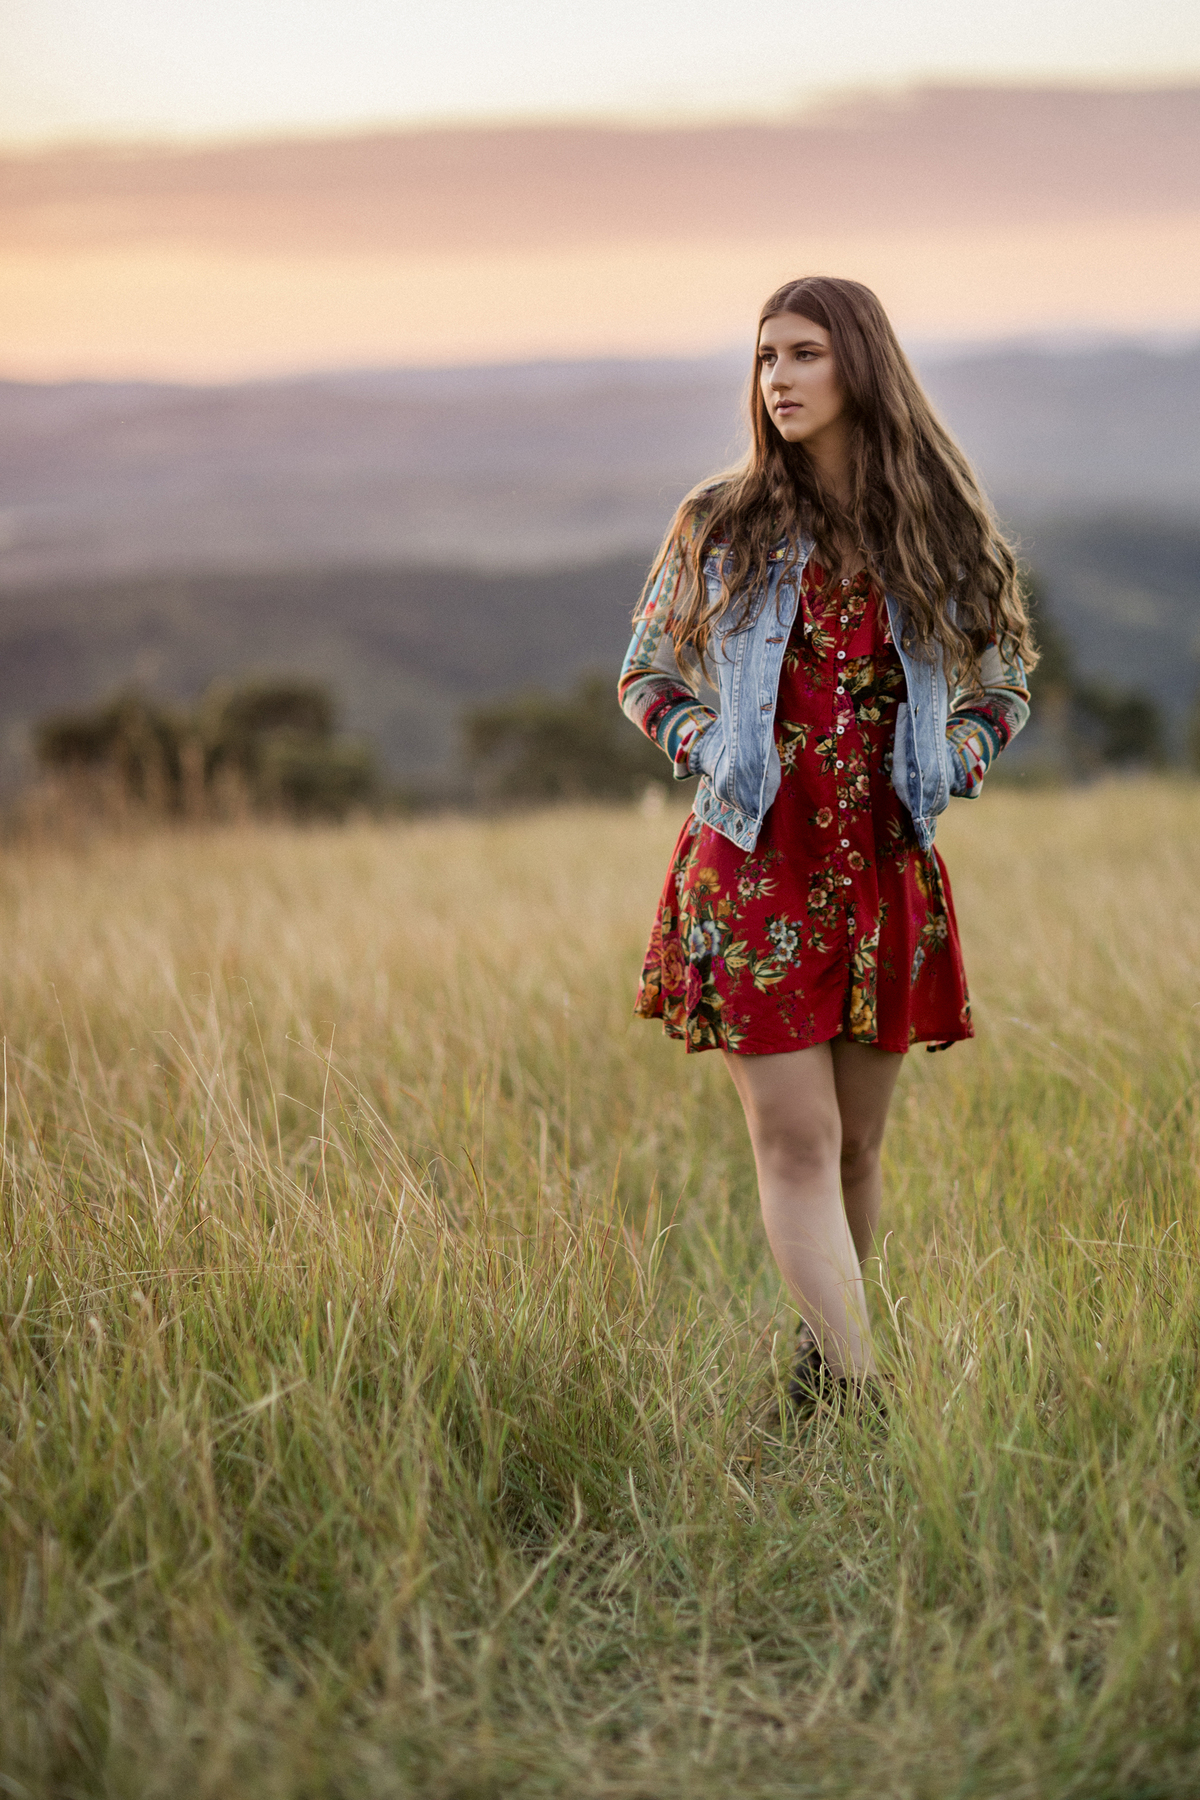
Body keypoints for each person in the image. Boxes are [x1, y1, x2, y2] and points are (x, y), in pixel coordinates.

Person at [618, 277, 1034, 1413]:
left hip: (884, 873)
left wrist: (959, 758)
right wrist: (711, 747)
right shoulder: (723, 521)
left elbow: (1005, 682)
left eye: (803, 355)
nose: (779, 381)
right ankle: (867, 1396)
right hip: (753, 871)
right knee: (797, 1144)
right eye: (765, 360)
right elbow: (645, 676)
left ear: (858, 362)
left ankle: (818, 1377)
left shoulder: (937, 526)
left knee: (855, 1149)